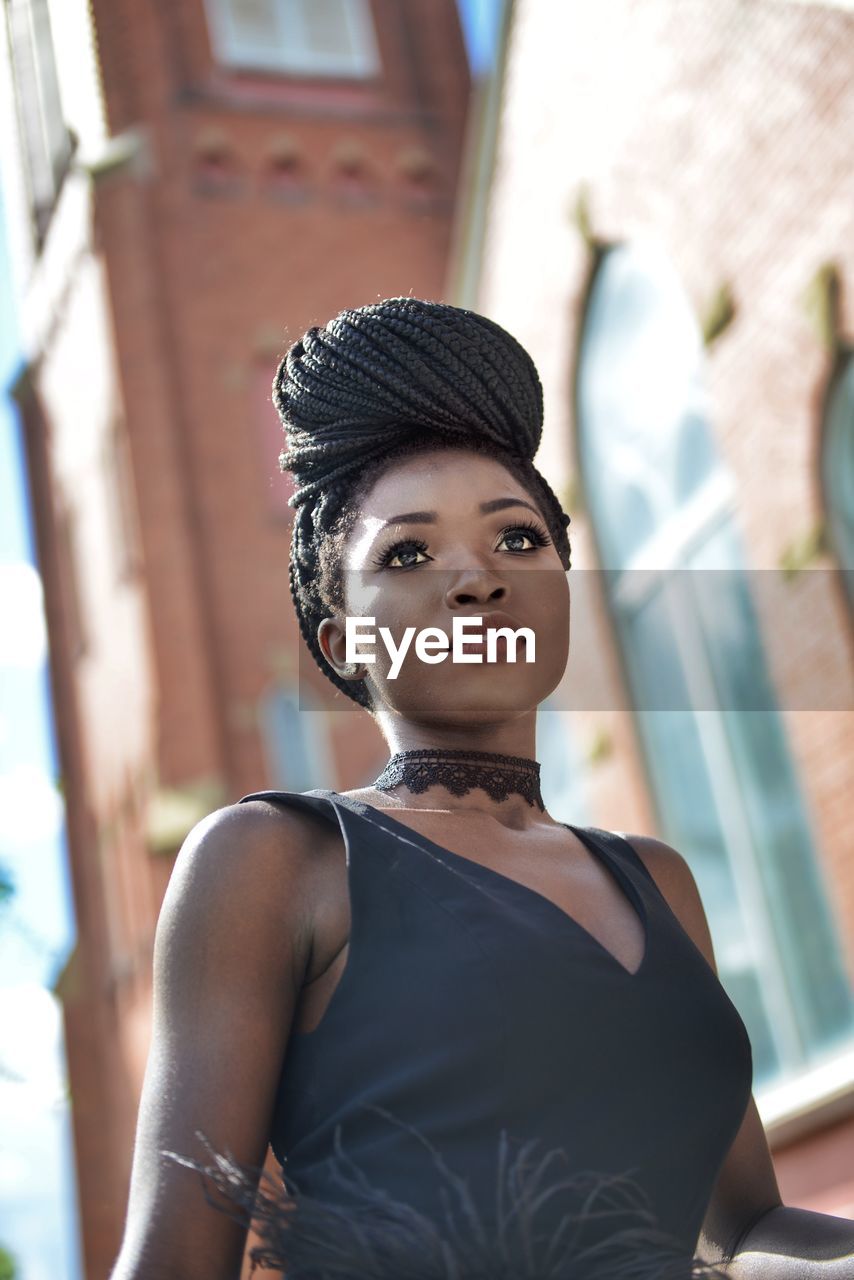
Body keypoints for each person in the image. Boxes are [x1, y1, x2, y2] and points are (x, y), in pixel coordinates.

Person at [111, 298, 854, 1280]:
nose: (475, 578)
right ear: (344, 640)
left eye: (516, 539)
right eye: (407, 553)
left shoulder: (656, 880)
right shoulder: (274, 860)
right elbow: (173, 1261)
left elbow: (739, 1229)